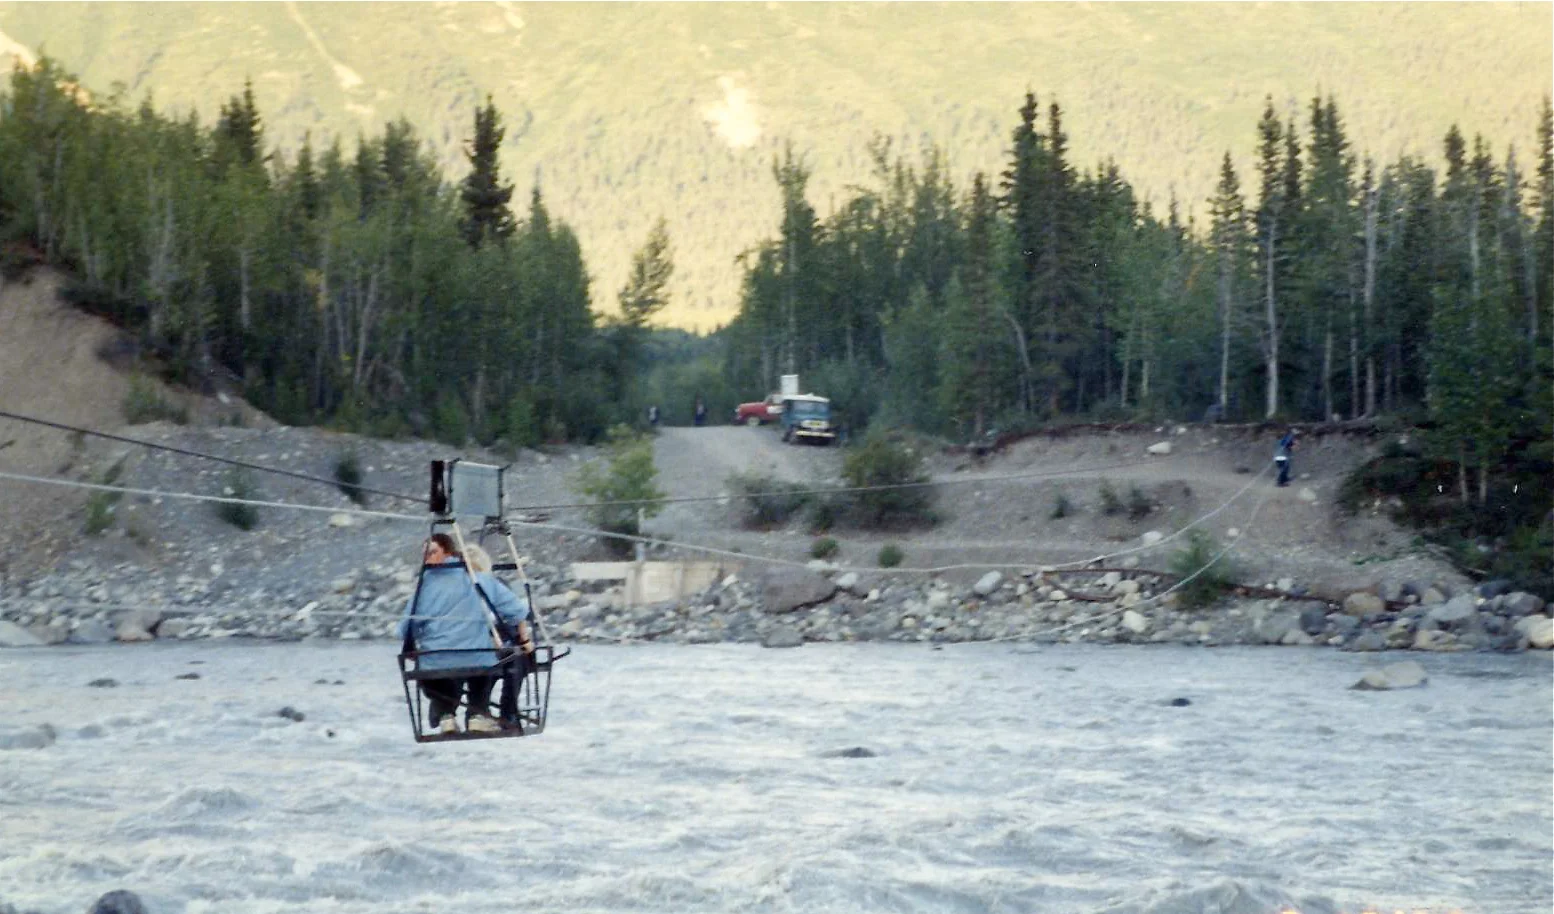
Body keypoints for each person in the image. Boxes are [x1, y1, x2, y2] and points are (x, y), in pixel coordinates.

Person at [396, 533, 504, 735]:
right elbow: (514, 610)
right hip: (476, 658)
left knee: (434, 667)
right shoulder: (479, 580)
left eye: (432, 552)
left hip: (436, 661)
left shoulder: (424, 586)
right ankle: (477, 715)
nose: (427, 557)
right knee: (487, 664)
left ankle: (447, 715)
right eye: (425, 554)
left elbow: (405, 628)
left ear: (447, 552)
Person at [464, 543, 535, 729]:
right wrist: (525, 641)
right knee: (514, 659)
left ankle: (474, 711)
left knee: (480, 665)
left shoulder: (446, 586)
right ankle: (508, 713)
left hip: (453, 649)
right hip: (482, 648)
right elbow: (519, 612)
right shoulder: (487, 584)